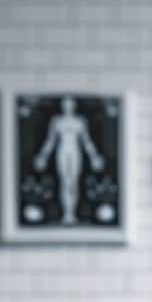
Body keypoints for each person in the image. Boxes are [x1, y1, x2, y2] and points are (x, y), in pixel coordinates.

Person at [33, 96, 106, 225]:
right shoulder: (57, 121)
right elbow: (50, 141)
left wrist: (94, 155)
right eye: (65, 104)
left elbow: (86, 140)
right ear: (62, 106)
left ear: (73, 106)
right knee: (64, 181)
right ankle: (66, 214)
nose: (67, 106)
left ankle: (72, 214)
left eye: (70, 104)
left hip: (74, 150)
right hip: (62, 150)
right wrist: (43, 156)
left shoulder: (79, 121)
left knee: (73, 182)